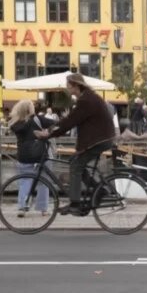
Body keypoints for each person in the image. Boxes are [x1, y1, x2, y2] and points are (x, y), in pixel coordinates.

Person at [34, 73, 116, 216]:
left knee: (76, 166)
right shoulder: (86, 97)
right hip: (99, 138)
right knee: (75, 162)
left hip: (99, 140)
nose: (67, 89)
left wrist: (49, 133)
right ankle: (98, 190)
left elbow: (70, 121)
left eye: (69, 86)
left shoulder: (86, 100)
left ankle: (75, 204)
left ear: (76, 86)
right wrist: (51, 130)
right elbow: (70, 120)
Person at [9, 99, 55, 217]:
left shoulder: (15, 123)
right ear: (30, 109)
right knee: (43, 183)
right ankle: (43, 209)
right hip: (40, 155)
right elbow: (54, 122)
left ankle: (22, 207)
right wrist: (47, 132)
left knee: (24, 182)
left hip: (24, 156)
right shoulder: (37, 119)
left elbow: (22, 130)